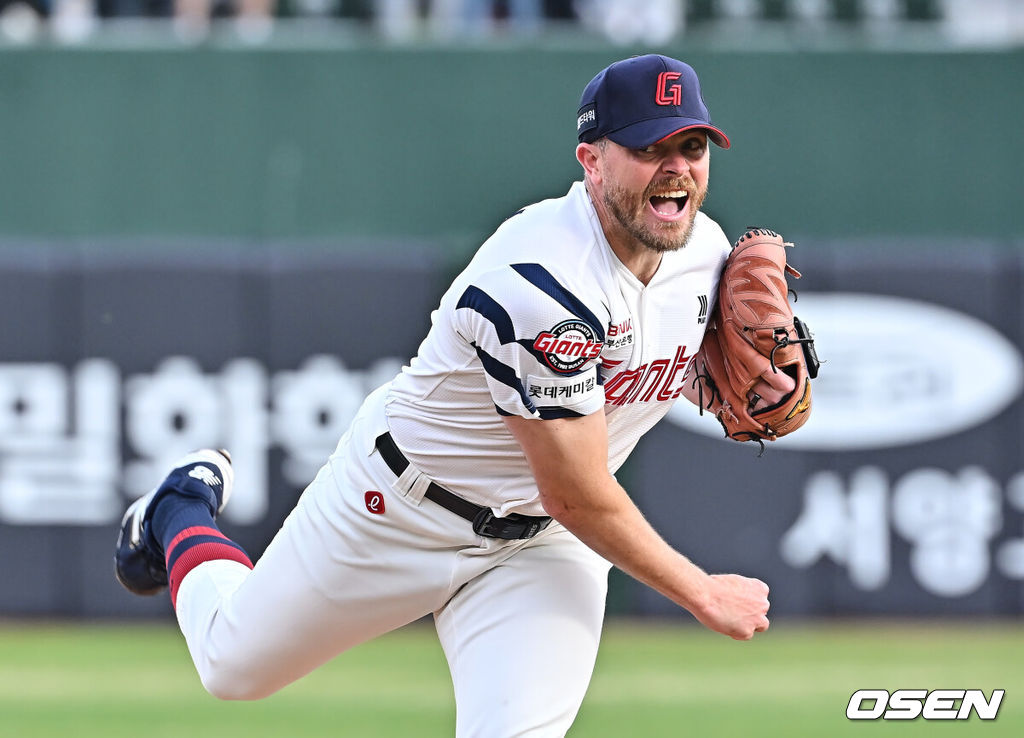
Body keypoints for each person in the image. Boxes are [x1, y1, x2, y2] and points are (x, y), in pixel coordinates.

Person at [115, 54, 775, 737]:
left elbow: (651, 367)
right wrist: (701, 592)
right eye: (648, 148)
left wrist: (752, 386)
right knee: (230, 666)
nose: (676, 168)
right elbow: (576, 492)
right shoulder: (541, 280)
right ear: (592, 161)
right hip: (400, 510)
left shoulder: (706, 256)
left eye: (692, 147)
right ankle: (178, 506)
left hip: (541, 548)